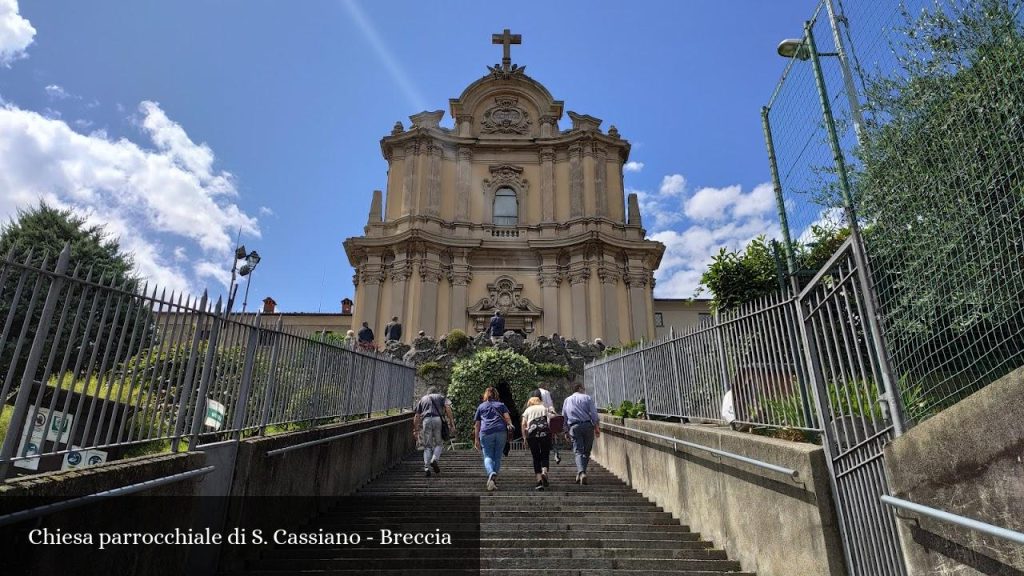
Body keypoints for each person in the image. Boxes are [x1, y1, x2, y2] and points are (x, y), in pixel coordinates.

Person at [473, 386, 514, 492]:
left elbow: (477, 424)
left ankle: (491, 473)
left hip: (486, 432)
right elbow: (507, 418)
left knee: (487, 455)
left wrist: (476, 439)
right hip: (501, 431)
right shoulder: (501, 405)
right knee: (497, 456)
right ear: (496, 395)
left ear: (485, 395)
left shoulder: (481, 406)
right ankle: (493, 480)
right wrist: (510, 425)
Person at [561, 382, 601, 485]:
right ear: (579, 388)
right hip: (588, 426)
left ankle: (581, 473)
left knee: (578, 451)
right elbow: (593, 413)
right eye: (583, 388)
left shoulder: (567, 400)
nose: (584, 389)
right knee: (586, 451)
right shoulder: (587, 398)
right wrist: (596, 427)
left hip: (574, 427)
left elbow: (564, 417)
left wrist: (565, 430)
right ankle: (582, 472)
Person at [413, 386, 455, 477]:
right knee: (439, 443)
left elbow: (417, 415)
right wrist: (451, 422)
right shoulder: (440, 397)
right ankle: (434, 459)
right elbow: (448, 408)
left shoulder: (423, 399)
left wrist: (416, 430)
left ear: (428, 392)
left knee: (427, 446)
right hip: (437, 420)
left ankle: (427, 467)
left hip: (426, 420)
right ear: (436, 391)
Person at [521, 391, 553, 490]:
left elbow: (523, 424)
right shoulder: (544, 408)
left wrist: (524, 437)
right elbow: (551, 419)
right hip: (545, 434)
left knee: (536, 457)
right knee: (545, 454)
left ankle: (539, 481)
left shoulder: (528, 410)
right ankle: (544, 471)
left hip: (532, 434)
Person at [536, 382, 562, 464]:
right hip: (546, 417)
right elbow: (550, 406)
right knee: (553, 436)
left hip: (535, 418)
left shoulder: (533, 393)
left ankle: (539, 457)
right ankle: (556, 454)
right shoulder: (546, 392)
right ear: (544, 385)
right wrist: (554, 413)